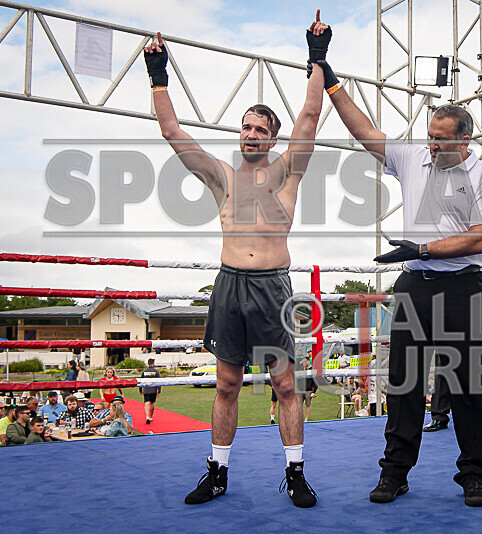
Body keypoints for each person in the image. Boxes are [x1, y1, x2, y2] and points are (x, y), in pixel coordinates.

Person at [142, 14, 326, 508]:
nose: (250, 134)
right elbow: (172, 131)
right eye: (245, 127)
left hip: (271, 287)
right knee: (226, 383)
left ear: (272, 137)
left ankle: (295, 474)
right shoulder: (222, 176)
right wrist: (159, 77)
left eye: (260, 129)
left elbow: (309, 117)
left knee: (285, 384)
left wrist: (317, 59)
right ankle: (217, 472)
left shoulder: (288, 174)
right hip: (229, 285)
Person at [322, 47, 482, 505]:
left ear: (466, 140)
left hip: (462, 285)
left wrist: (422, 247)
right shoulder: (411, 159)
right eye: (430, 136)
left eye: (442, 139)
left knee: (467, 387)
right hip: (414, 284)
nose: (433, 144)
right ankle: (395, 473)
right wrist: (330, 81)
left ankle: (473, 476)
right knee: (402, 385)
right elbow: (363, 130)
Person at [425, 240, 482, 433]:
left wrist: (471, 283)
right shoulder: (446, 236)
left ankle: (479, 412)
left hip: (477, 303)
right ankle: (439, 415)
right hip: (447, 302)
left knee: (481, 360)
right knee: (444, 359)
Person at [139, 358, 161, 424]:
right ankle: (150, 416)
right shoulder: (156, 371)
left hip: (146, 389)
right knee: (152, 403)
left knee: (147, 402)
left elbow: (141, 381)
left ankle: (147, 416)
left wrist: (140, 390)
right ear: (153, 363)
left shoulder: (144, 371)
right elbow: (159, 382)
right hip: (153, 390)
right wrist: (159, 391)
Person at [297, 358, 317, 422]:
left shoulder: (312, 370)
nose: (303, 363)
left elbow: (316, 382)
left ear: (308, 361)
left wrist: (313, 392)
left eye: (305, 361)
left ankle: (306, 419)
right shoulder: (300, 370)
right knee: (299, 405)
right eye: (303, 362)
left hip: (309, 390)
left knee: (307, 404)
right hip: (300, 390)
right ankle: (299, 418)